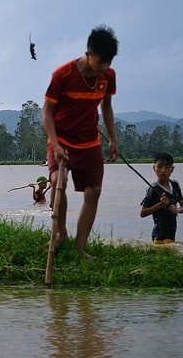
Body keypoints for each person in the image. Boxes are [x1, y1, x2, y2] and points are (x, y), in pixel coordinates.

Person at [42, 24, 119, 257]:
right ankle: (61, 232)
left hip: (89, 143)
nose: (104, 67)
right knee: (58, 182)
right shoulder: (62, 75)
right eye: (100, 62)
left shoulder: (108, 76)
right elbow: (47, 112)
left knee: (93, 191)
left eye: (109, 62)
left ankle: (80, 246)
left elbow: (106, 106)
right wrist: (55, 145)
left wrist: (113, 140)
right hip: (62, 140)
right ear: (88, 55)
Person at [140, 152, 183, 244]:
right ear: (154, 168)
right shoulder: (153, 189)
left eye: (167, 167)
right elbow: (142, 213)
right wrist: (160, 204)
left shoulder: (175, 185)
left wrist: (177, 210)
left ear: (172, 169)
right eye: (159, 167)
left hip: (172, 233)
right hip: (159, 236)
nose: (163, 170)